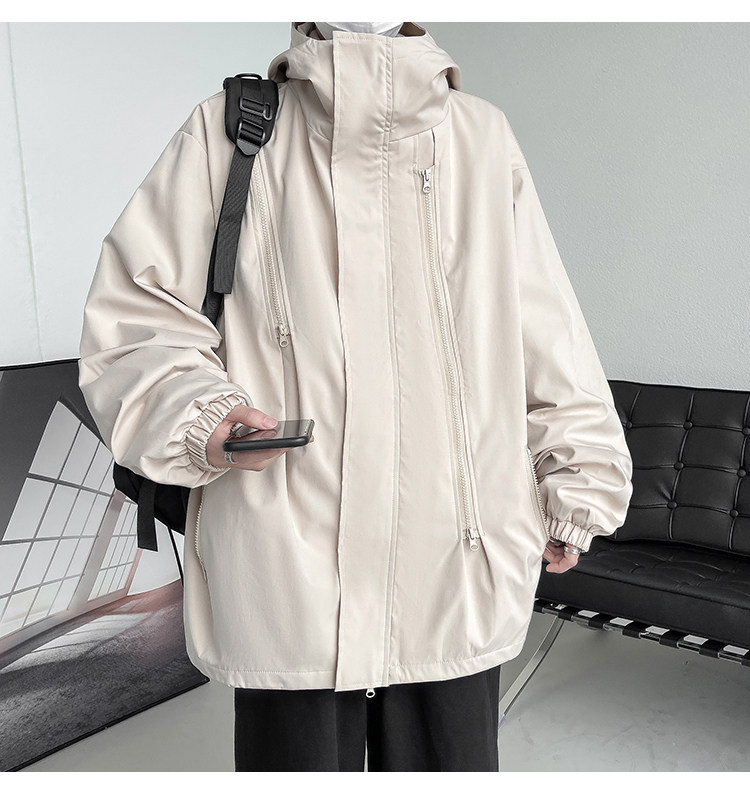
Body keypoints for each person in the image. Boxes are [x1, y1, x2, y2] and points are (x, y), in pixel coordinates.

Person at [78, 21, 633, 771]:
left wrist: (578, 481)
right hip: (285, 562)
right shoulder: (230, 128)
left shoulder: (479, 137)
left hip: (457, 555)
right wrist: (202, 416)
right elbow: (138, 321)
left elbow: (546, 330)